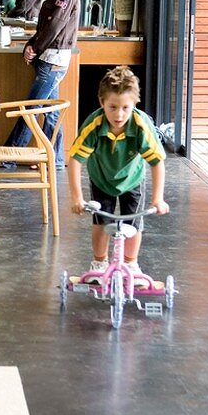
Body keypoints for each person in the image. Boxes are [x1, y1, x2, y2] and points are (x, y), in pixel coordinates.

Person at [68, 65, 169, 281]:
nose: (119, 114)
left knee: (133, 223)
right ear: (101, 102)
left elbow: (157, 162)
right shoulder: (94, 125)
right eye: (112, 107)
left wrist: (157, 198)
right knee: (100, 221)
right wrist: (77, 197)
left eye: (125, 107)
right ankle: (98, 262)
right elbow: (75, 160)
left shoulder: (140, 125)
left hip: (131, 180)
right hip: (101, 179)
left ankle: (131, 264)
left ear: (134, 104)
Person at [4, 0, 81, 169]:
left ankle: (11, 155)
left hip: (52, 60)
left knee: (31, 108)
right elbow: (45, 27)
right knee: (50, 112)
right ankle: (54, 159)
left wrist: (34, 48)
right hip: (49, 58)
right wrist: (31, 45)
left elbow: (54, 26)